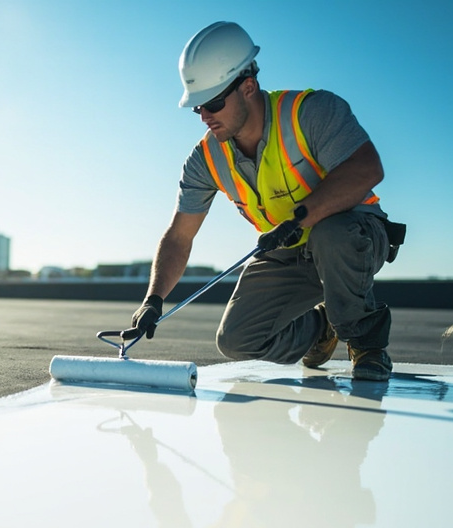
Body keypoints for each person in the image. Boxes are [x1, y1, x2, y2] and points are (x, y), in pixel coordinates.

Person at [123, 21, 403, 381]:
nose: (204, 116)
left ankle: (367, 343)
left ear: (249, 87)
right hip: (288, 248)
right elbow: (179, 236)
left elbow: (367, 167)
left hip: (353, 235)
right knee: (237, 340)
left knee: (331, 235)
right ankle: (321, 327)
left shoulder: (311, 113)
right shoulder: (205, 159)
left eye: (212, 103)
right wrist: (153, 299)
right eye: (197, 108)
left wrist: (302, 218)